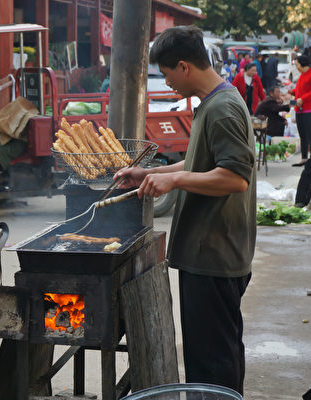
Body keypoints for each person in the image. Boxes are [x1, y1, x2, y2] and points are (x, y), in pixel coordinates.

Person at [116, 26, 256, 394]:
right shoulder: (215, 101)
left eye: (167, 75)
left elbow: (235, 177)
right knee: (216, 354)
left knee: (213, 362)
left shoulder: (222, 109)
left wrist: (175, 183)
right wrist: (150, 172)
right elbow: (199, 163)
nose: (169, 85)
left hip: (215, 255)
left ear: (184, 66)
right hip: (209, 253)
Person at [289, 55, 311, 166]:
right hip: (299, 110)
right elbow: (299, 90)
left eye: (297, 65)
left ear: (303, 64)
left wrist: (303, 98)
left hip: (308, 110)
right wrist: (291, 92)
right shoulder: (301, 76)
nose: (296, 67)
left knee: (309, 135)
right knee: (302, 135)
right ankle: (304, 158)